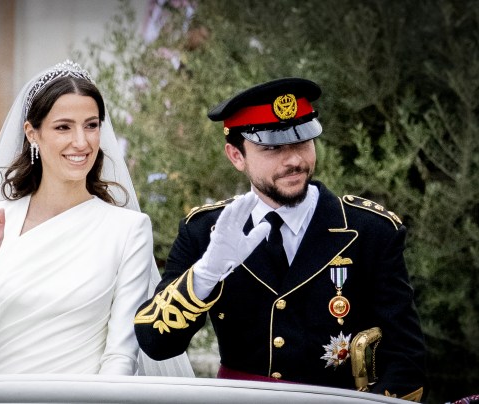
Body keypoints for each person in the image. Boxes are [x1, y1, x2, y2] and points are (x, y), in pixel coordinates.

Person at [134, 78, 426, 400]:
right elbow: (155, 344)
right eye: (272, 148)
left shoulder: (370, 230)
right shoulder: (204, 231)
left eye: (302, 141)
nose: (294, 161)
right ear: (236, 155)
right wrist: (206, 274)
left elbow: (406, 359)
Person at [0, 60, 193, 377]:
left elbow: (120, 356)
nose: (82, 142)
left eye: (91, 125)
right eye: (64, 127)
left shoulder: (128, 229)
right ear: (32, 133)